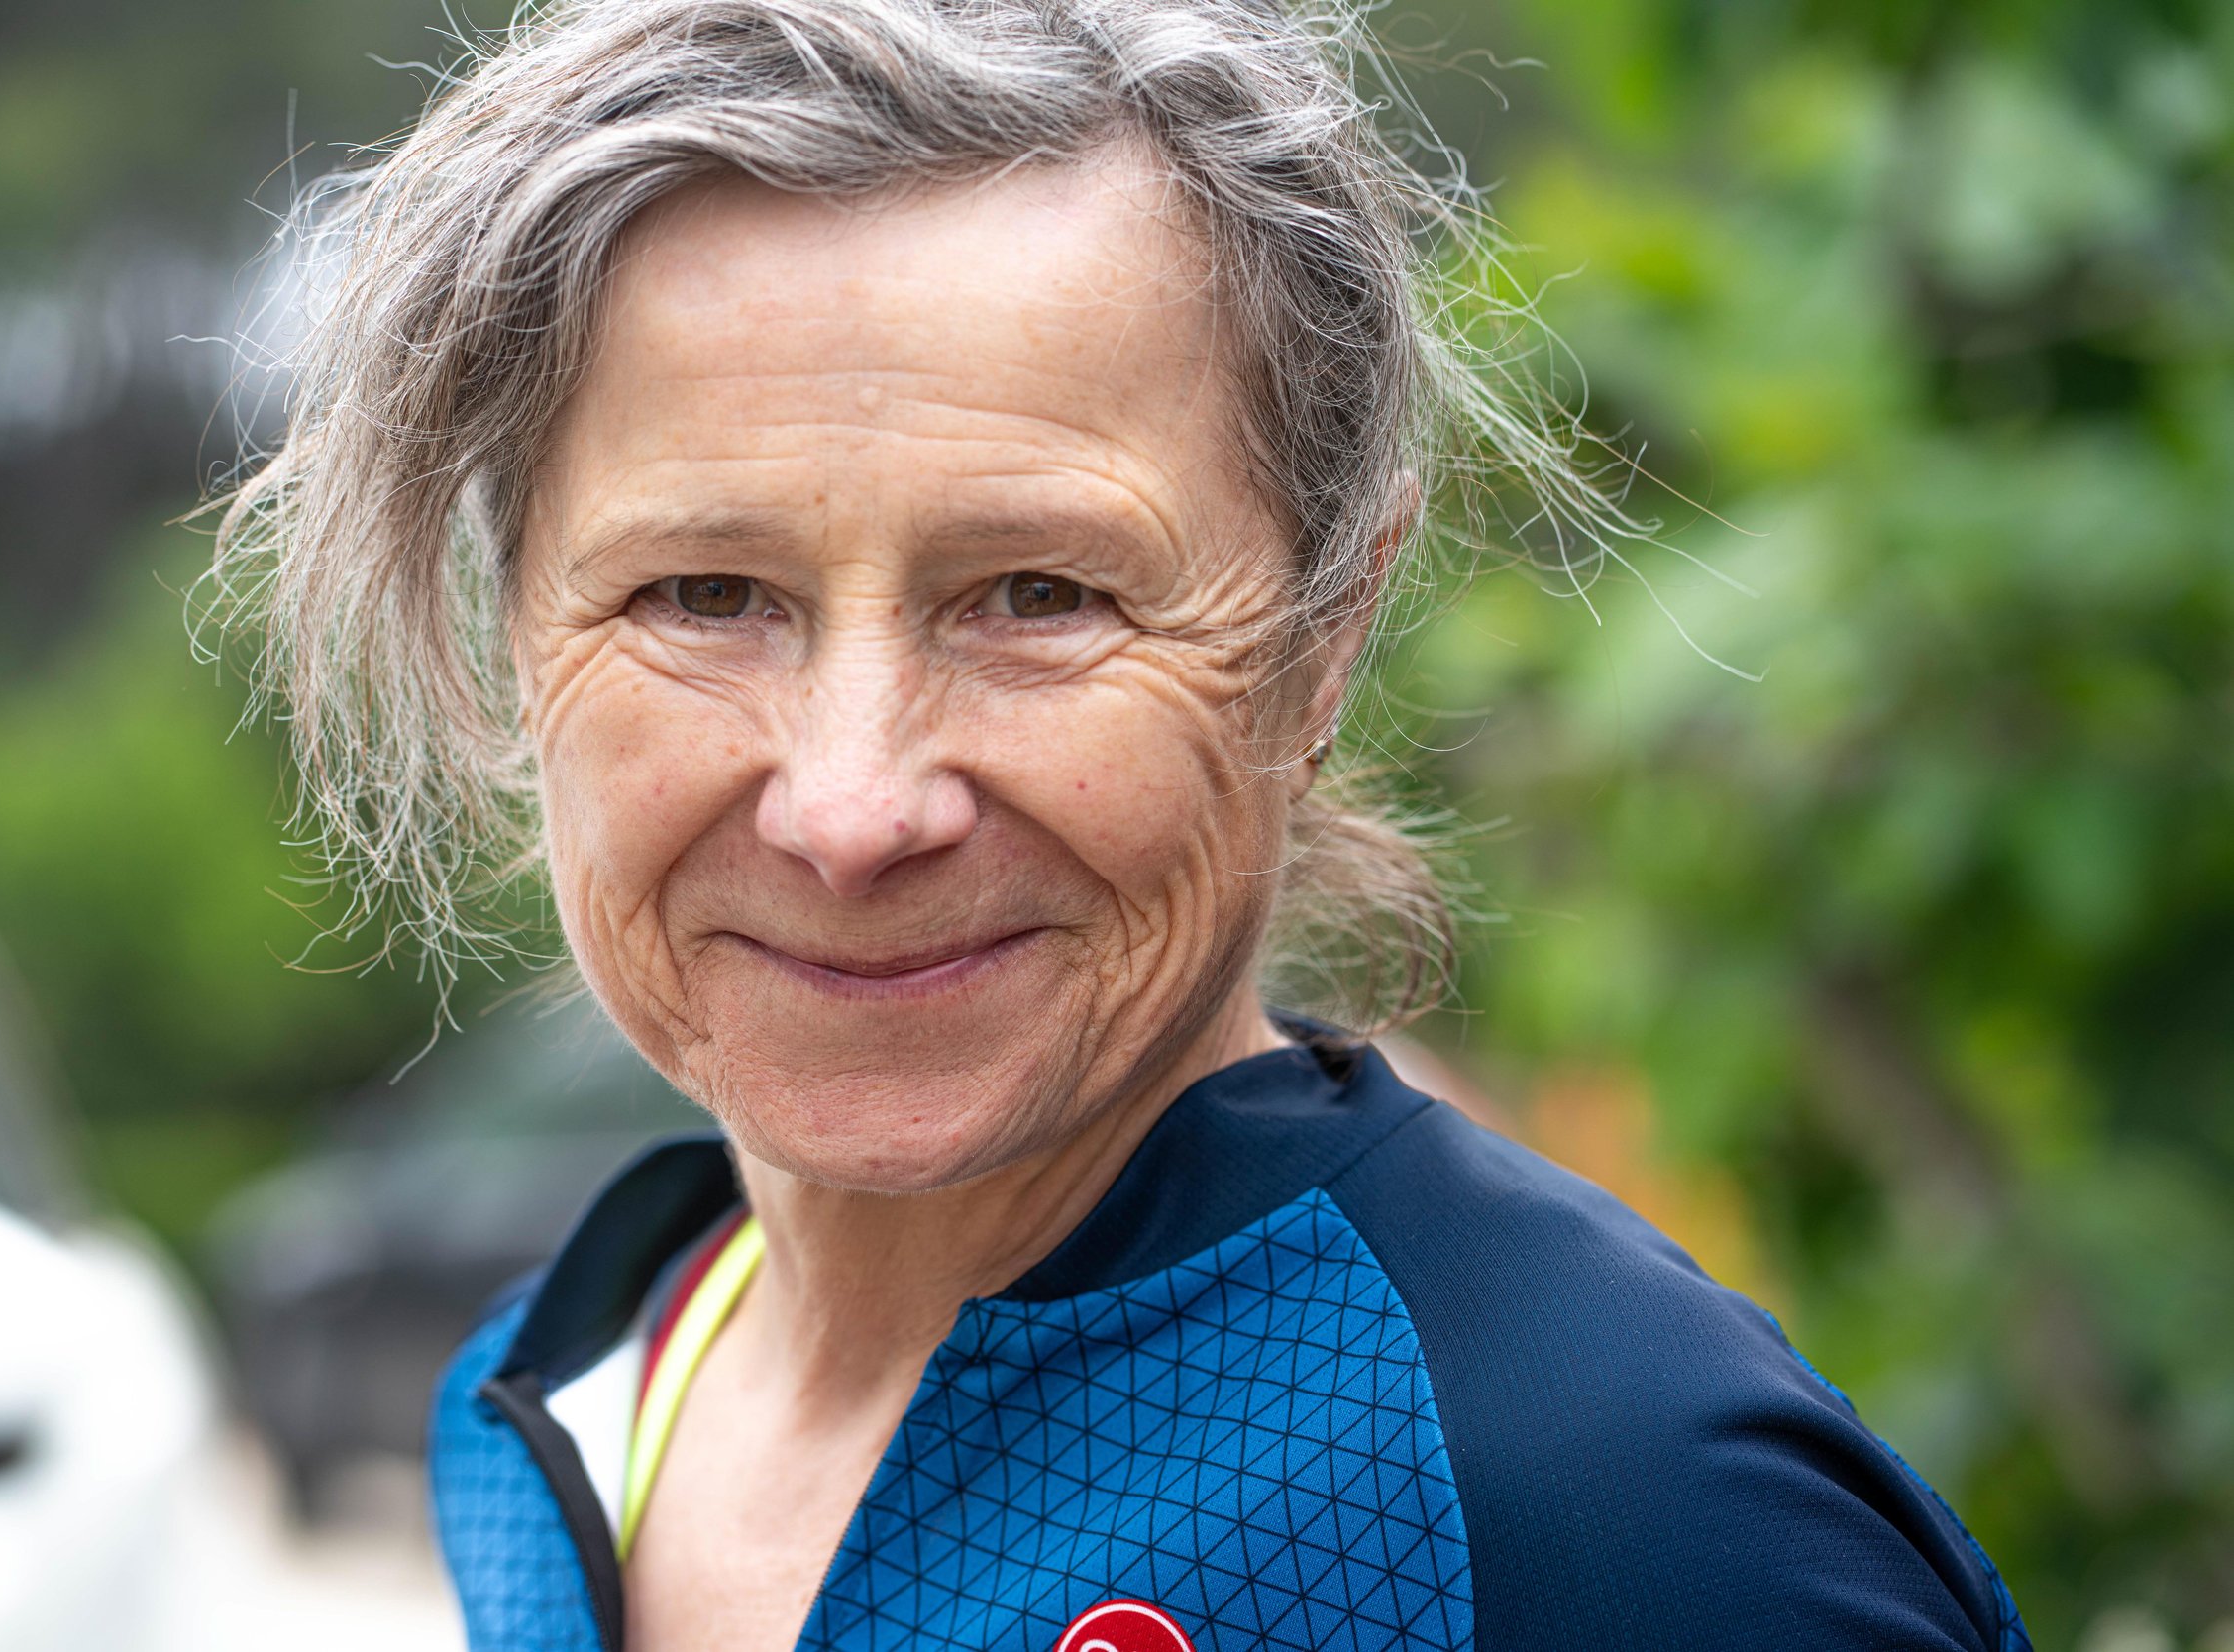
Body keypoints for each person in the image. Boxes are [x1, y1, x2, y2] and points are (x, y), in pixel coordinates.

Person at [210, 2, 2031, 1648]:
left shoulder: (1605, 1504)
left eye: (1040, 595)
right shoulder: (563, 1395)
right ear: (518, 634)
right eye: (703, 595)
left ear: (1325, 638)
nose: (854, 806)